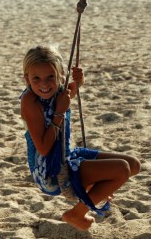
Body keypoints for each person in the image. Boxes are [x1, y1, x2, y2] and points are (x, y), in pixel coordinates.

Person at [20, 45, 141, 231]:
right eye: (36, 78)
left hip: (67, 155)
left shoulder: (59, 90)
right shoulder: (30, 101)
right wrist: (60, 112)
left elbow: (70, 91)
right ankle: (76, 214)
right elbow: (43, 148)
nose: (44, 84)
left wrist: (79, 81)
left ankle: (94, 190)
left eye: (50, 77)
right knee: (121, 169)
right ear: (26, 78)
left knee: (133, 164)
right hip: (50, 169)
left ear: (61, 74)